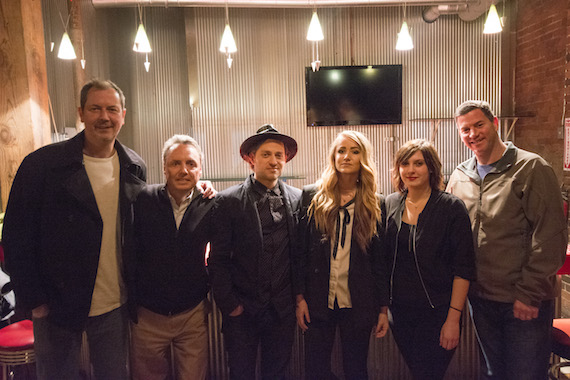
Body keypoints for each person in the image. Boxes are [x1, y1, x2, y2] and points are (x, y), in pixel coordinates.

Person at [2, 79, 147, 380]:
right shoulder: (42, 165)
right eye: (95, 108)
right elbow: (16, 237)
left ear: (124, 114)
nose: (104, 117)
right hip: (55, 304)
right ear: (81, 113)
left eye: (111, 109)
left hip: (113, 302)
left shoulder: (134, 166)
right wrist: (36, 300)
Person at [447, 100, 568, 380]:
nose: (473, 134)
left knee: (525, 374)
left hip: (523, 300)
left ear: (495, 123)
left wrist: (529, 293)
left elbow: (550, 236)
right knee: (492, 373)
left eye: (479, 125)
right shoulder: (460, 175)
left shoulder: (531, 168)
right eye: (465, 129)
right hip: (481, 298)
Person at [293, 130, 389, 380]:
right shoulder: (311, 197)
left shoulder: (375, 202)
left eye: (354, 151)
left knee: (356, 369)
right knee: (315, 369)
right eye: (341, 150)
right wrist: (300, 297)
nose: (346, 156)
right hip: (317, 300)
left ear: (363, 158)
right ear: (333, 156)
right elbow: (299, 252)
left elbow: (380, 262)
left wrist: (382, 308)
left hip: (359, 302)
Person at [209, 124, 301, 380]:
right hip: (243, 311)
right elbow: (217, 260)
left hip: (282, 311)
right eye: (266, 154)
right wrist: (231, 305)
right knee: (241, 373)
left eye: (279, 155)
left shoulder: (298, 198)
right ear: (251, 160)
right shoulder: (228, 201)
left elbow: (301, 256)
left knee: (278, 374)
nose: (274, 161)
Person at [385, 139, 476, 380]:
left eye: (419, 163)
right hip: (400, 313)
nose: (411, 170)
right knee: (419, 372)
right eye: (405, 164)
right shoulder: (390, 204)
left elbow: (464, 268)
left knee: (428, 373)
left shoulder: (451, 207)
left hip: (438, 313)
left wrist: (453, 319)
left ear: (431, 168)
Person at [129, 135, 214, 380]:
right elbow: (129, 250)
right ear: (164, 168)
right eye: (175, 163)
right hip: (147, 317)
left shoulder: (211, 204)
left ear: (200, 170)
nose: (183, 170)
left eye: (191, 163)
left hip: (192, 316)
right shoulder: (142, 199)